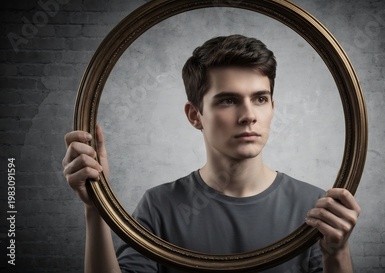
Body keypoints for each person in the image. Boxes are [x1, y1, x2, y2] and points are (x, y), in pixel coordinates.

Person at [62, 35, 360, 273]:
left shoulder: (313, 206)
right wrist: (96, 207)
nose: (248, 116)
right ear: (195, 116)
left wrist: (338, 253)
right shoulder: (159, 206)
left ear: (272, 107)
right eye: (228, 100)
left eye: (260, 98)